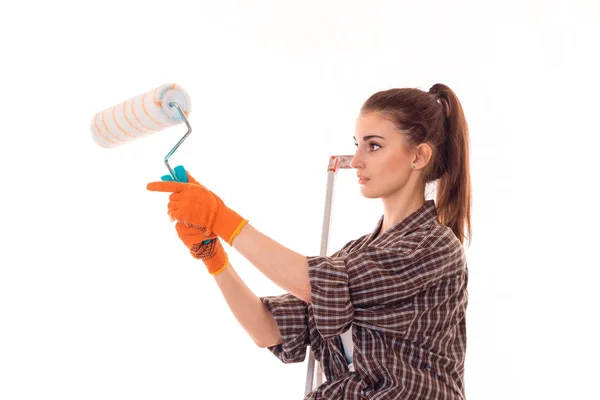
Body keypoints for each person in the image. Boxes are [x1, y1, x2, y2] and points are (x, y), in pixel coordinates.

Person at [147, 83, 471, 399]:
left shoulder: (432, 248)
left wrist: (221, 218)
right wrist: (213, 255)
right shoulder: (356, 255)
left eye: (373, 146)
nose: (356, 160)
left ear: (419, 157)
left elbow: (313, 283)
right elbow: (266, 329)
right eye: (356, 143)